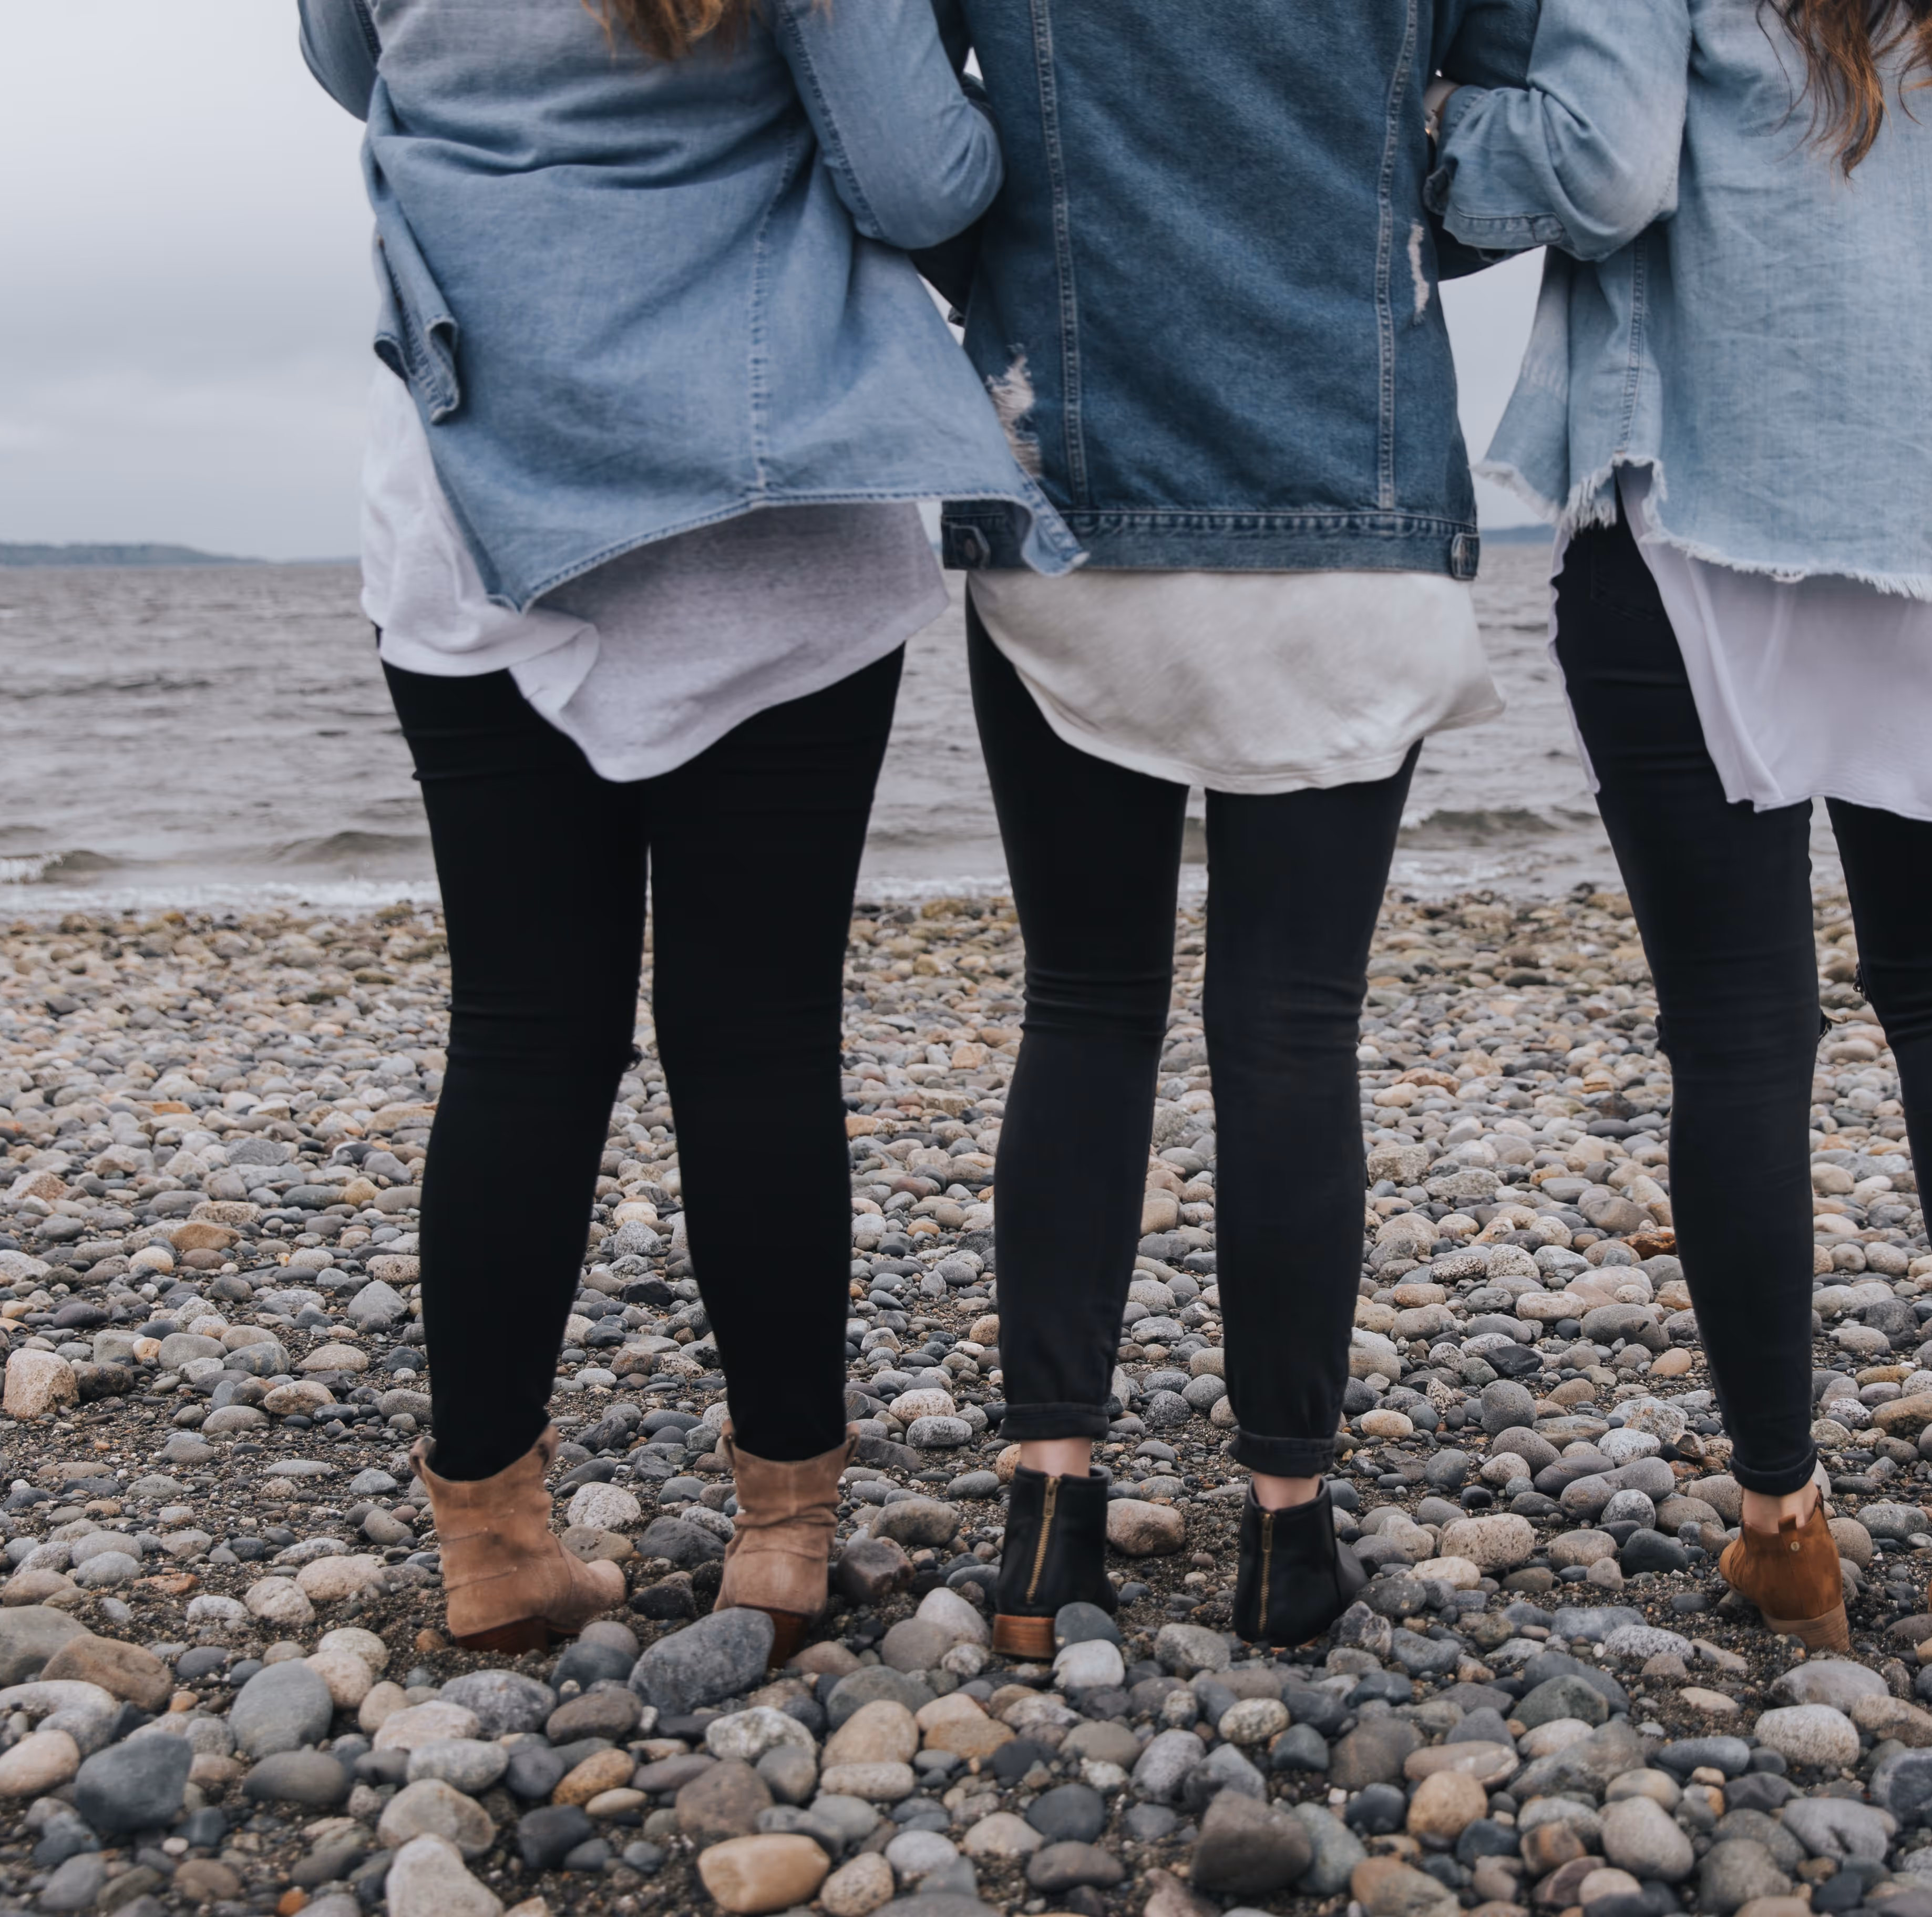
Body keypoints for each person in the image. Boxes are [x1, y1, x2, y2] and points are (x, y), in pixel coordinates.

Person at [296, 0, 1075, 1655]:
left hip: (480, 491)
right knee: (761, 1037)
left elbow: (350, 68)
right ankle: (784, 1536)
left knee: (517, 1030)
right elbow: (923, 185)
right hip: (766, 496)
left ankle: (495, 1542)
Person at [1430, 0, 1932, 1647]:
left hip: (1702, 514)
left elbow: (1602, 172)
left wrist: (1436, 119)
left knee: (1737, 1033)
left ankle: (1785, 1529)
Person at [936, 1, 1533, 1654]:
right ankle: (1286, 1531)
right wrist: (1366, 204)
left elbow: (912, 162)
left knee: (1086, 1004)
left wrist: (1047, 211)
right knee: (1291, 1027)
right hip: (1353, 491)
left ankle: (1048, 1515)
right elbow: (1539, 139)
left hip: (1076, 474)